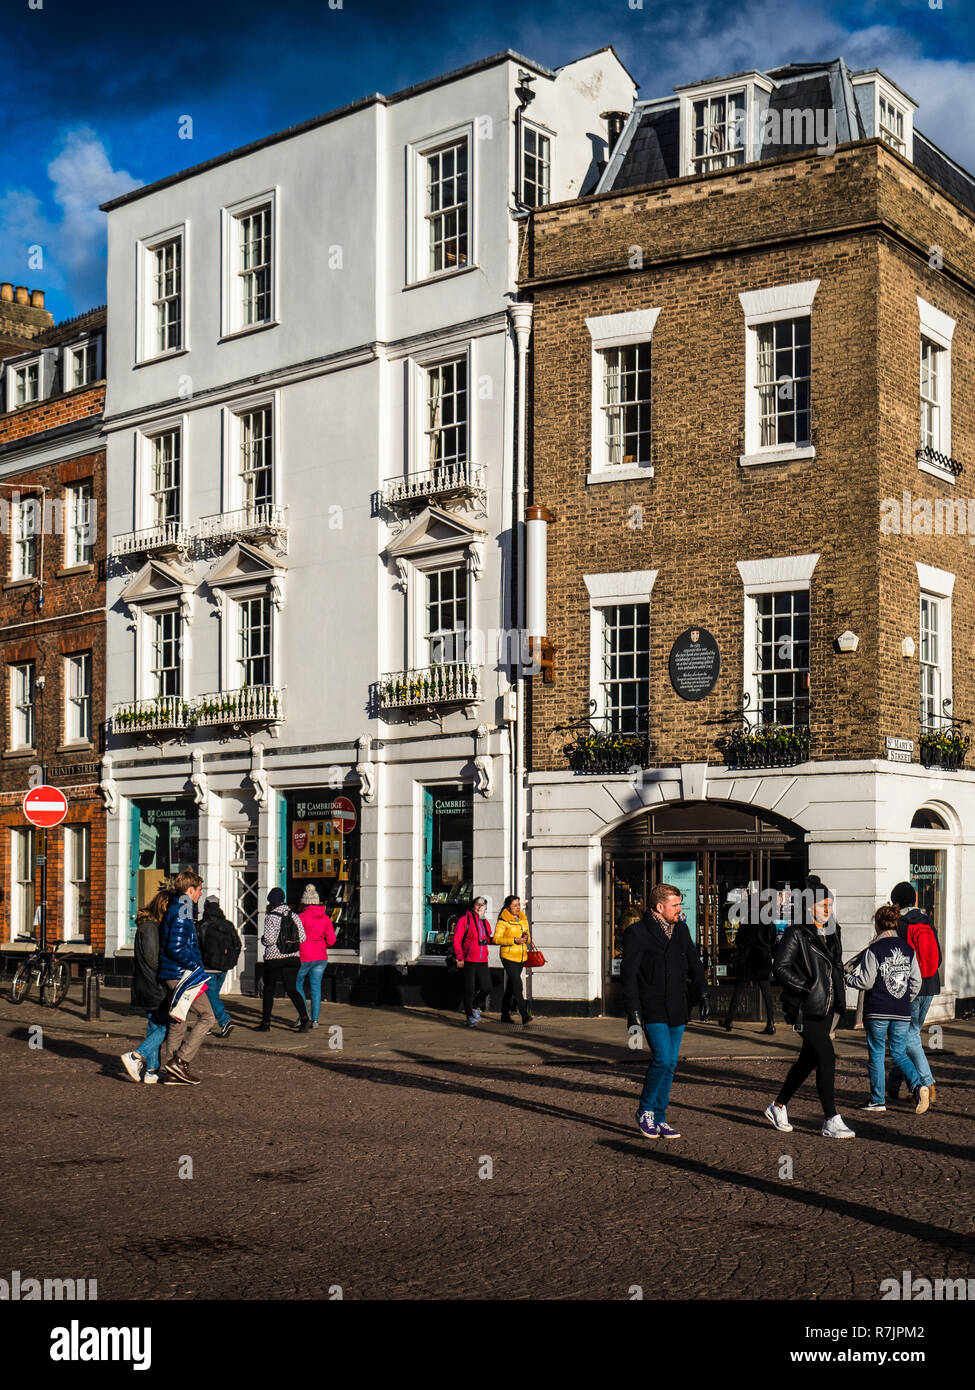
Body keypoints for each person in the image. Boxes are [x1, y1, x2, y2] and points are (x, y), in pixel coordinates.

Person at [765, 876, 855, 1139]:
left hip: (826, 1007)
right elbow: (780, 968)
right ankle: (831, 1119)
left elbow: (834, 966)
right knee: (826, 1055)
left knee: (809, 1059)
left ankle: (777, 1105)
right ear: (808, 907)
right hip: (804, 1009)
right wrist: (807, 987)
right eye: (822, 905)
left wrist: (840, 989)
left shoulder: (832, 931)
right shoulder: (797, 933)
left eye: (829, 904)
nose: (827, 910)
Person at [620, 883, 712, 1139]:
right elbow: (628, 976)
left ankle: (660, 1118)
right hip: (652, 1006)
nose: (680, 909)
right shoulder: (637, 933)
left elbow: (694, 961)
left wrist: (703, 991)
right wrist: (632, 1011)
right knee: (661, 1058)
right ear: (660, 907)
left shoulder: (680, 929)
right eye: (675, 905)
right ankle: (645, 1111)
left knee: (671, 1063)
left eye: (680, 904)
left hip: (677, 1006)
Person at [844, 903, 927, 1114]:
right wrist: (904, 999)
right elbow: (916, 981)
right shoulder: (909, 949)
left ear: (878, 924)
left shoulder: (875, 949)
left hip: (878, 1009)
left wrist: (848, 978)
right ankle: (918, 1085)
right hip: (901, 1010)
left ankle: (877, 1100)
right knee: (899, 1053)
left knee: (877, 1054)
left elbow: (867, 981)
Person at [887, 881, 941, 1105]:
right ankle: (893, 1084)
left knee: (909, 1037)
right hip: (930, 985)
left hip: (910, 987)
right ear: (915, 900)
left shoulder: (901, 924)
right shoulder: (928, 920)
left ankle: (928, 1084)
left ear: (897, 903)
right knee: (909, 1037)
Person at [158, 871, 213, 1085]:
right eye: (199, 890)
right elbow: (177, 946)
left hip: (172, 972)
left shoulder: (177, 906)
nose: (200, 894)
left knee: (178, 1019)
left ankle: (171, 1071)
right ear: (190, 890)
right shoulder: (183, 908)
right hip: (182, 974)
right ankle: (181, 1060)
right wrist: (196, 969)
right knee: (208, 1016)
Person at [121, 889, 171, 1084]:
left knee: (154, 1027)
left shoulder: (148, 926)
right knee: (167, 1026)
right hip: (153, 985)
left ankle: (151, 1071)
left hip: (147, 983)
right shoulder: (150, 928)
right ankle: (136, 1056)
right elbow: (152, 958)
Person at [258, 887, 310, 1032]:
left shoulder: (271, 916)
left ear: (272, 901)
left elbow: (269, 940)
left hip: (275, 957)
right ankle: (305, 1019)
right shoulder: (295, 916)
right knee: (292, 989)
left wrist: (262, 939)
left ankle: (266, 1023)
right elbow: (303, 938)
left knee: (269, 989)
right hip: (293, 957)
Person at [723, 899, 776, 1035]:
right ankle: (771, 1023)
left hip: (748, 960)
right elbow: (773, 941)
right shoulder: (769, 922)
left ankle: (729, 1021)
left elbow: (739, 940)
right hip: (763, 960)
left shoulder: (748, 920)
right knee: (767, 993)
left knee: (739, 990)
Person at [197, 895, 242, 1038]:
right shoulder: (227, 925)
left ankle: (225, 1021)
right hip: (222, 967)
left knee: (211, 998)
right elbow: (238, 945)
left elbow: (195, 947)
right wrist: (231, 961)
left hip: (207, 967)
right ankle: (206, 1024)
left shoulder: (200, 925)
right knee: (211, 996)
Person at [296, 884, 336, 1028]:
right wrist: (321, 944)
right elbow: (332, 940)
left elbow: (296, 937)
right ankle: (315, 1020)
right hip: (321, 956)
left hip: (304, 955)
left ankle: (303, 1016)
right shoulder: (325, 918)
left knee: (297, 984)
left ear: (304, 902)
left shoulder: (300, 917)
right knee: (316, 988)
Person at [493, 894, 534, 1025]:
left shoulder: (522, 918)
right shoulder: (503, 920)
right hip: (508, 956)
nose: (518, 907)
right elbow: (496, 939)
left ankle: (504, 1014)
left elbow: (527, 936)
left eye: (519, 904)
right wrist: (514, 940)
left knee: (511, 986)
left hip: (521, 956)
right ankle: (524, 1014)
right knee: (518, 983)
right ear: (508, 907)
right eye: (515, 905)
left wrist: (528, 940)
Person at [453, 896, 493, 1028]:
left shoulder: (483, 921)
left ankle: (476, 1005)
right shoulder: (464, 920)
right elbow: (457, 940)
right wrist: (460, 957)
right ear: (473, 905)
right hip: (469, 959)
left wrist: (482, 918)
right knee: (469, 990)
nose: (480, 907)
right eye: (478, 905)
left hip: (482, 959)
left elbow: (488, 935)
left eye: (483, 905)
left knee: (487, 987)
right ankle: (469, 1016)